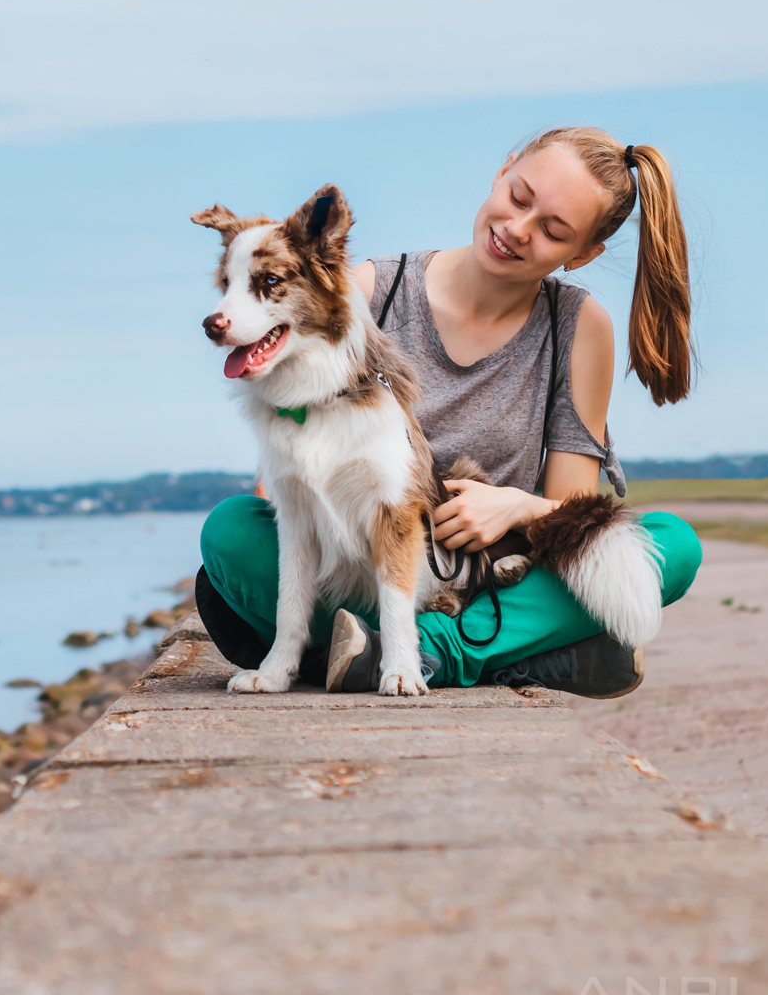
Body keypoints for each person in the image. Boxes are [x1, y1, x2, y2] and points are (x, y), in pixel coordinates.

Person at [196, 127, 702, 698]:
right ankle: (508, 652)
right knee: (231, 533)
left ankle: (428, 649)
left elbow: (571, 507)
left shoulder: (578, 327)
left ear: (582, 255)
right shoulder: (368, 291)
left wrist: (511, 506)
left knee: (672, 546)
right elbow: (285, 482)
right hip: (361, 570)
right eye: (519, 197)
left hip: (492, 576)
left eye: (553, 230)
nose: (517, 229)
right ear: (502, 170)